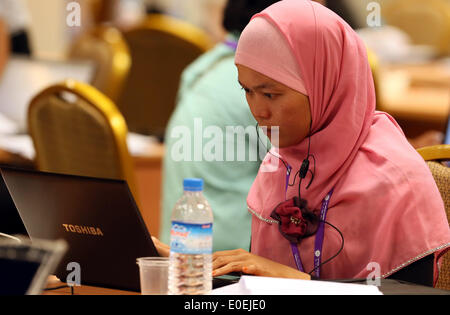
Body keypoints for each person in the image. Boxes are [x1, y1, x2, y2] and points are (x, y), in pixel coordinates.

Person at [155, 0, 450, 286]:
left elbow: (412, 292)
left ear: (323, 83)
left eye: (270, 94)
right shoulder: (280, 164)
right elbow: (260, 284)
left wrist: (299, 282)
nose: (258, 110)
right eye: (247, 90)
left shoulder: (395, 177)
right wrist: (200, 269)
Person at [159, 0, 281, 252]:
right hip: (226, 268)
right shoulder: (261, 84)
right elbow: (307, 176)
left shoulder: (203, 69)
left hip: (178, 253)